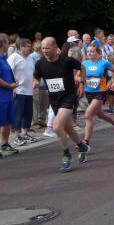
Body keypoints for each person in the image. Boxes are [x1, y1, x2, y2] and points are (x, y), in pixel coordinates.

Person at [33, 37, 89, 172]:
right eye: (43, 48)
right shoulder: (40, 63)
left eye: (47, 48)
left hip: (69, 97)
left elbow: (82, 68)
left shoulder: (67, 61)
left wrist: (82, 83)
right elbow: (36, 77)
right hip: (54, 99)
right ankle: (82, 146)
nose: (45, 51)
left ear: (55, 48)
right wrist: (35, 82)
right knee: (68, 127)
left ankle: (66, 155)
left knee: (57, 126)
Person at [81, 44, 114, 146]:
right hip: (88, 92)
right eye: (88, 51)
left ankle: (86, 142)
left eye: (92, 51)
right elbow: (78, 76)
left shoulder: (104, 63)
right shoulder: (84, 63)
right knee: (100, 114)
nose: (89, 53)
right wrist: (79, 80)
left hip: (101, 92)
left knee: (88, 114)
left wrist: (111, 81)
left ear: (98, 54)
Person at [7, 37, 36, 145]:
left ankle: (24, 134)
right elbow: (8, 72)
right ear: (21, 47)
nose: (30, 48)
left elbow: (32, 72)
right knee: (18, 114)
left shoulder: (30, 58)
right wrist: (12, 86)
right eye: (28, 46)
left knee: (28, 113)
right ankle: (16, 136)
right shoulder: (13, 57)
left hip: (29, 90)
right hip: (18, 90)